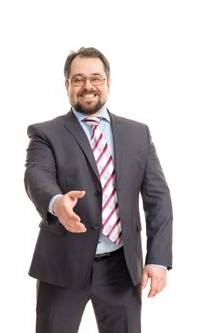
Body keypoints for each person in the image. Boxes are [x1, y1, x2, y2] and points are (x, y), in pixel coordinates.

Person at [24, 47, 173, 333]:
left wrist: (157, 259)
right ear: (66, 85)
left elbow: (158, 199)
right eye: (78, 79)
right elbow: (36, 175)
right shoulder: (45, 133)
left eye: (96, 78)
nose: (88, 86)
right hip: (62, 265)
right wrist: (57, 203)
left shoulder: (137, 133)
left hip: (121, 267)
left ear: (108, 83)